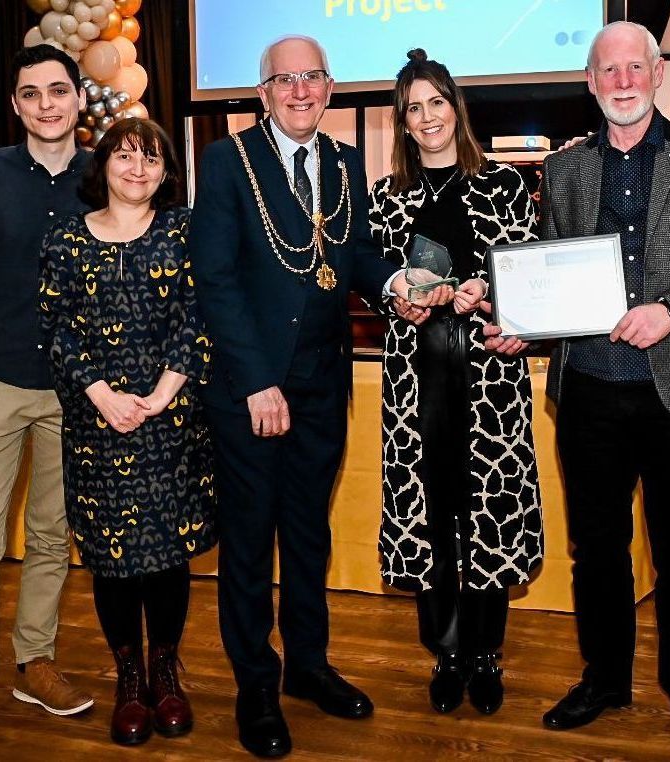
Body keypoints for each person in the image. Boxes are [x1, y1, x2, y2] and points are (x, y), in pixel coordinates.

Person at [189, 35, 443, 758]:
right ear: (263, 92)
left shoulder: (341, 160)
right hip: (252, 391)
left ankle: (307, 666)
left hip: (323, 385)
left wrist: (396, 285)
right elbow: (216, 281)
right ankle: (256, 688)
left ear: (330, 87)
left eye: (314, 78)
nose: (301, 91)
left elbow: (357, 250)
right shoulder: (226, 161)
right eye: (286, 80)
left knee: (308, 533)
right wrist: (258, 381)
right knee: (250, 542)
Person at [518, 20, 670, 757]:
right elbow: (552, 278)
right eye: (607, 71)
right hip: (587, 388)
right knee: (597, 550)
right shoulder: (562, 172)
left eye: (635, 68)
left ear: (657, 74)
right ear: (591, 83)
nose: (622, 82)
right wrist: (523, 325)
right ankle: (604, 679)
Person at [368, 49, 543, 717]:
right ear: (404, 123)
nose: (427, 116)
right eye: (414, 107)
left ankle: (486, 652)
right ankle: (444, 650)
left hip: (490, 378)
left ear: (455, 108)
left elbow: (528, 275)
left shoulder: (502, 183)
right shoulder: (389, 197)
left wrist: (485, 288)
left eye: (436, 101)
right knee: (431, 514)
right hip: (416, 383)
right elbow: (375, 282)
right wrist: (398, 297)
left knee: (488, 512)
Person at [39, 117, 214, 745]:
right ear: (104, 165)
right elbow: (58, 327)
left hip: (172, 423)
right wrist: (104, 396)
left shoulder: (185, 232)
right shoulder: (65, 240)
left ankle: (167, 672)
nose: (137, 169)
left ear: (167, 172)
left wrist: (163, 393)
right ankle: (130, 677)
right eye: (125, 157)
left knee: (165, 556)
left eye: (152, 159)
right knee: (113, 561)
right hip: (97, 426)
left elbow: (198, 315)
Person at [0, 44, 93, 718]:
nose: (47, 104)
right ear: (16, 105)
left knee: (53, 535)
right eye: (33, 94)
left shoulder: (107, 176)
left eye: (59, 91)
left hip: (74, 390)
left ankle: (35, 663)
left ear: (80, 99)